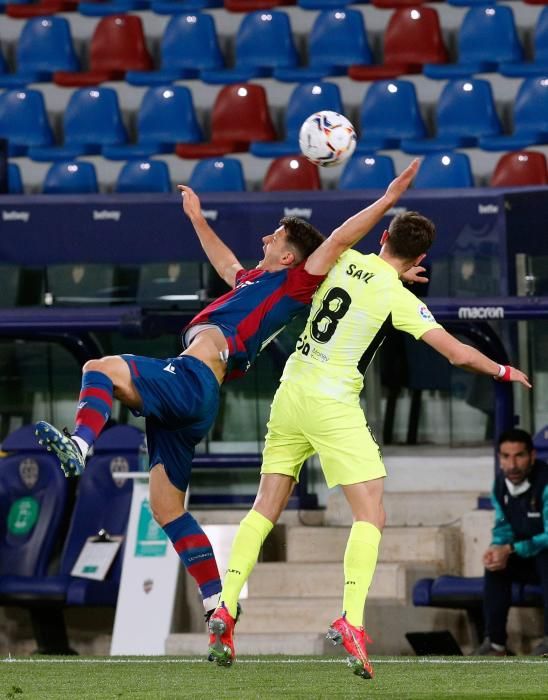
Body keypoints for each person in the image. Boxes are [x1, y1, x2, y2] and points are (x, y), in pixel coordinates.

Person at [34, 160, 421, 623]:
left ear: (288, 257)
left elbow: (337, 239)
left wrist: (387, 200)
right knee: (168, 510)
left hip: (190, 379)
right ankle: (219, 604)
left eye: (274, 237)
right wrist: (197, 219)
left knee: (99, 367)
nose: (265, 239)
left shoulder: (294, 283)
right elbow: (226, 262)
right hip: (196, 400)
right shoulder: (254, 283)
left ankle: (80, 444)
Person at [207, 211, 532, 677]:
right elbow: (457, 353)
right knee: (371, 513)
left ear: (381, 237)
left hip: (291, 390)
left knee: (265, 506)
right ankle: (352, 619)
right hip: (332, 403)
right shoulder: (397, 296)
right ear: (419, 257)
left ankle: (226, 605)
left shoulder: (338, 260)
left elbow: (316, 261)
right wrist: (503, 370)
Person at [475, 428, 548, 657]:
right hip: (528, 558)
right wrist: (497, 548)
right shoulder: (499, 486)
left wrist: (512, 548)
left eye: (519, 456)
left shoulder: (545, 483)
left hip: (544, 558)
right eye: (506, 457)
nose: (512, 465)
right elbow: (503, 526)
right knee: (497, 567)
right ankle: (496, 644)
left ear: (532, 456)